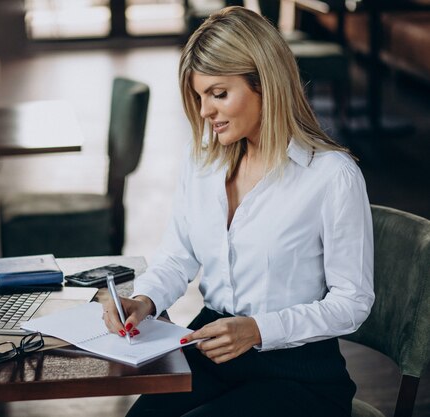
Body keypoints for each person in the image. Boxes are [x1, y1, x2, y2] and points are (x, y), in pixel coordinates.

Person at [101, 6, 374, 417]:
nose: (205, 111)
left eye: (218, 93)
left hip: (299, 373)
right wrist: (145, 300)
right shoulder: (203, 161)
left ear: (265, 83)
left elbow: (352, 301)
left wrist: (259, 330)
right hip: (212, 345)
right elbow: (179, 255)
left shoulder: (332, 177)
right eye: (198, 96)